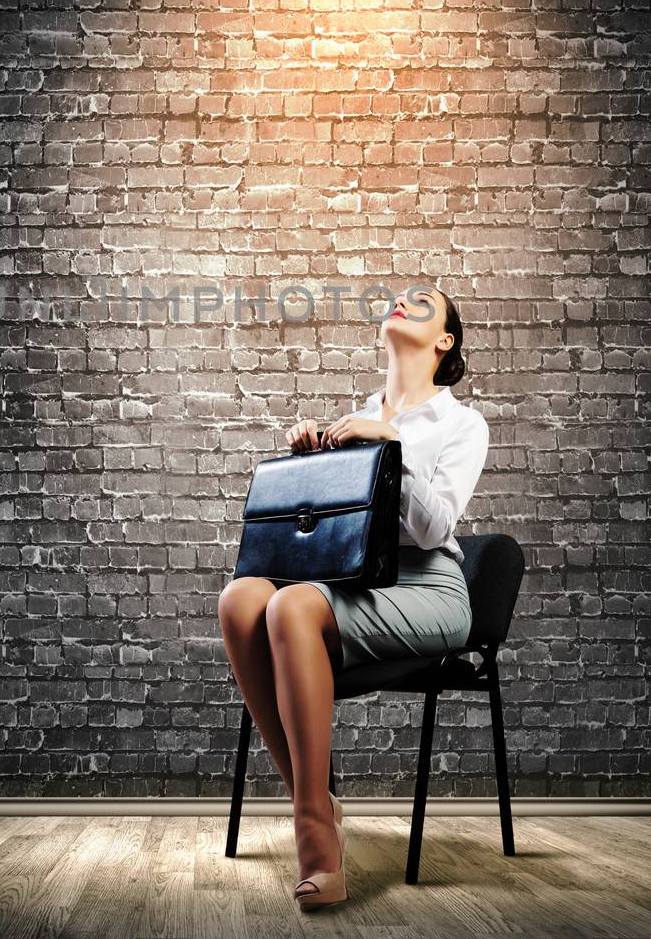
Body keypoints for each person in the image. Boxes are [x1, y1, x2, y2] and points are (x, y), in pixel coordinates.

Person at [216, 282, 490, 911]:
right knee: (240, 600)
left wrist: (387, 446)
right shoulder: (358, 414)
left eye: (424, 301)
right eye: (399, 296)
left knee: (289, 606)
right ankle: (314, 800)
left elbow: (433, 529)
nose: (403, 301)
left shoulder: (461, 424)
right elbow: (336, 536)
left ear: (444, 339)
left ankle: (315, 835)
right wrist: (312, 467)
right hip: (354, 583)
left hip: (430, 588)